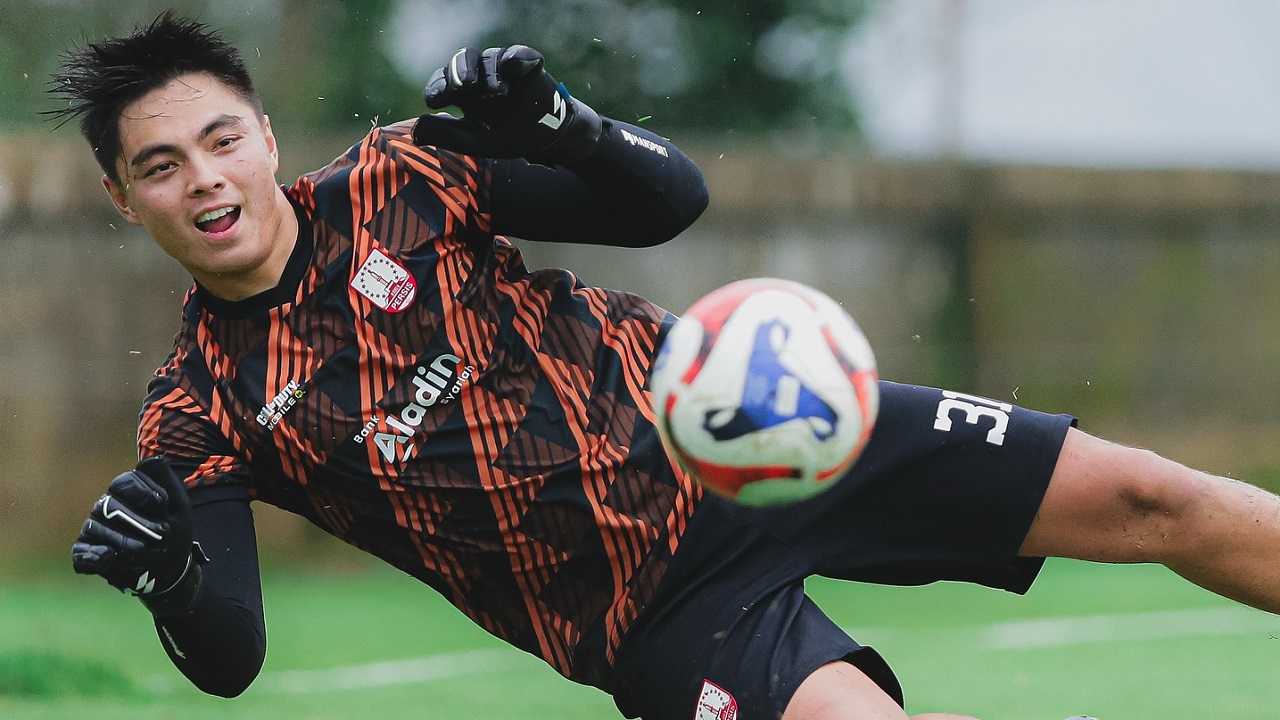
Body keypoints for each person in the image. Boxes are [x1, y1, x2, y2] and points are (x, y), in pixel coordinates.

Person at [51, 12, 1280, 720]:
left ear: (264, 134)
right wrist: (169, 580)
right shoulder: (196, 412)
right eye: (162, 165)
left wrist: (561, 125)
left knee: (1150, 497)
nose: (205, 177)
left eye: (220, 138)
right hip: (652, 606)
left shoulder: (400, 178)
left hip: (753, 424)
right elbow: (231, 659)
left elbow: (665, 204)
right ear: (121, 197)